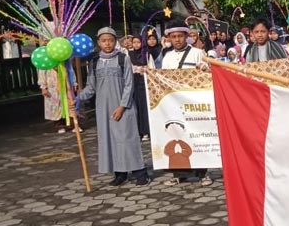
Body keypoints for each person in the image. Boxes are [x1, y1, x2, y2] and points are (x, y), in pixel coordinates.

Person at [77, 27, 150, 186]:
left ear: (115, 41)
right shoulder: (95, 62)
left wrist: (122, 106)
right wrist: (77, 99)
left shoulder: (123, 59)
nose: (107, 43)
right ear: (98, 43)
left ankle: (140, 172)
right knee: (110, 140)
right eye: (104, 41)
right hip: (104, 109)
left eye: (110, 40)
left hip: (124, 107)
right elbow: (91, 87)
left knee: (127, 138)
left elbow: (129, 85)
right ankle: (120, 173)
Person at [160, 21, 211, 186]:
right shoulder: (167, 57)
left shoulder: (197, 52)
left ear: (186, 37)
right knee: (177, 136)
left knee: (197, 135)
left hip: (194, 102)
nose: (177, 40)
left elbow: (209, 71)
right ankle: (179, 174)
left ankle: (203, 174)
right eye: (173, 37)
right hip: (175, 103)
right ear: (169, 38)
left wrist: (205, 68)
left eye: (180, 36)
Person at [38, 65, 79, 133]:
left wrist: (74, 82)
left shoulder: (64, 59)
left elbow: (70, 69)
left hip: (65, 83)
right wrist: (43, 87)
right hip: (52, 85)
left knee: (69, 103)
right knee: (56, 105)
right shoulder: (46, 60)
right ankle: (59, 125)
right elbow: (42, 72)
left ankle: (74, 124)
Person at [128, 35, 150, 140]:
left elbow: (151, 67)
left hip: (143, 82)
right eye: (134, 42)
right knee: (135, 107)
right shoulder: (129, 54)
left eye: (138, 42)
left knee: (143, 107)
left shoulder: (146, 53)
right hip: (133, 83)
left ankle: (145, 131)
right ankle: (137, 131)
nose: (136, 44)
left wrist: (144, 69)